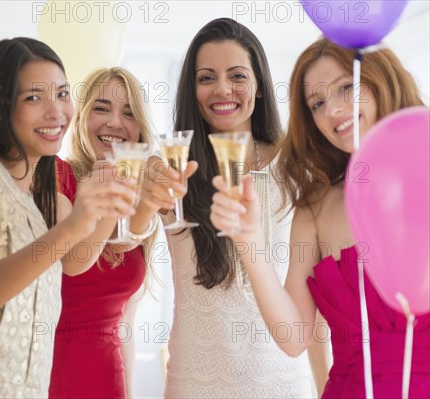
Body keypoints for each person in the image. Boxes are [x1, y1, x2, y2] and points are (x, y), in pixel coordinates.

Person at [211, 38, 430, 397]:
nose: (333, 110)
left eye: (347, 87)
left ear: (381, 80)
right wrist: (248, 238)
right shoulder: (316, 207)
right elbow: (294, 338)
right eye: (318, 103)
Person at [0, 40, 136, 398]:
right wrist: (73, 226)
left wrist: (116, 202)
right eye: (34, 98)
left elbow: (76, 262)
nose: (56, 112)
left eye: (62, 94)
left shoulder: (42, 193)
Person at [164, 18, 313, 397]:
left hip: (283, 383)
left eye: (237, 76)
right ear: (191, 89)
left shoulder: (297, 168)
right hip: (195, 385)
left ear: (259, 86)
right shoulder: (172, 169)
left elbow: (314, 309)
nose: (223, 89)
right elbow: (128, 238)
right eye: (206, 77)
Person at [49, 67, 188, 399]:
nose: (114, 122)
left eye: (128, 113)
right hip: (53, 372)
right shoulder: (57, 176)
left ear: (139, 127)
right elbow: (74, 260)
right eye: (101, 108)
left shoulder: (141, 199)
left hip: (108, 377)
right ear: (81, 117)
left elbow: (125, 324)